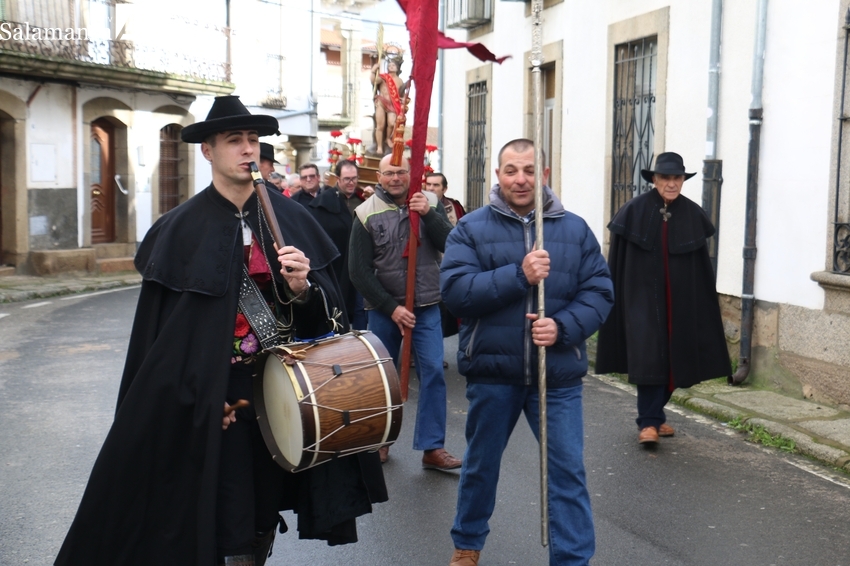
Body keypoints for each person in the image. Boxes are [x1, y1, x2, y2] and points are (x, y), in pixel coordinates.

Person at [54, 95, 387, 566]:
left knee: (259, 521)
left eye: (253, 140)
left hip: (283, 397)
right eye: (235, 141)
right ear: (208, 151)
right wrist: (200, 399)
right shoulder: (179, 230)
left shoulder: (291, 219)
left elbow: (327, 322)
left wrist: (304, 288)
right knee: (227, 528)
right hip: (220, 402)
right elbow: (163, 345)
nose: (247, 150)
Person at [440, 138, 613, 566]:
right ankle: (467, 544)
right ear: (497, 175)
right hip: (493, 371)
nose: (521, 179)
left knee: (567, 473)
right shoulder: (471, 229)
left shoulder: (574, 229)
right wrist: (519, 274)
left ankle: (572, 559)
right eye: (512, 170)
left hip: (556, 376)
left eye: (530, 170)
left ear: (545, 175)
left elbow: (599, 291)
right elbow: (456, 293)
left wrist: (564, 327)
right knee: (481, 467)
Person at [595, 152, 732, 444]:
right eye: (665, 178)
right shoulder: (634, 210)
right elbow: (618, 261)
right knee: (648, 357)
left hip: (680, 301)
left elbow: (700, 267)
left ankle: (656, 416)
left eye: (677, 178)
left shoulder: (692, 214)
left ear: (683, 180)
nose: (671, 184)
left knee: (677, 357)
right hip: (641, 300)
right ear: (654, 180)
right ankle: (648, 422)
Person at [349, 155, 462, 470]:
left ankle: (432, 447)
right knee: (382, 380)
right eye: (389, 173)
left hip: (425, 306)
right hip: (384, 310)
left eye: (401, 171)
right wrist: (392, 308)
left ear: (411, 173)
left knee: (434, 374)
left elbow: (451, 244)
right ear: (380, 176)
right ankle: (381, 441)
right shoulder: (365, 212)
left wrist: (428, 215)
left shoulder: (430, 202)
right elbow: (358, 272)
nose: (396, 178)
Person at [306, 159, 362, 330]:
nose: (351, 183)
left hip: (359, 263)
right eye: (347, 179)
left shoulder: (361, 199)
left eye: (354, 178)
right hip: (337, 265)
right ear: (338, 179)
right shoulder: (324, 203)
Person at [370, 55, 406, 155]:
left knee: (391, 123)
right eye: (389, 65)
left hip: (392, 104)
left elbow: (401, 94)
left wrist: (402, 100)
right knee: (380, 126)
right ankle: (379, 147)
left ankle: (387, 139)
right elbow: (373, 81)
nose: (391, 66)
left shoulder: (400, 81)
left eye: (393, 65)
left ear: (397, 68)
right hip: (382, 101)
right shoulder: (383, 77)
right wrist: (373, 70)